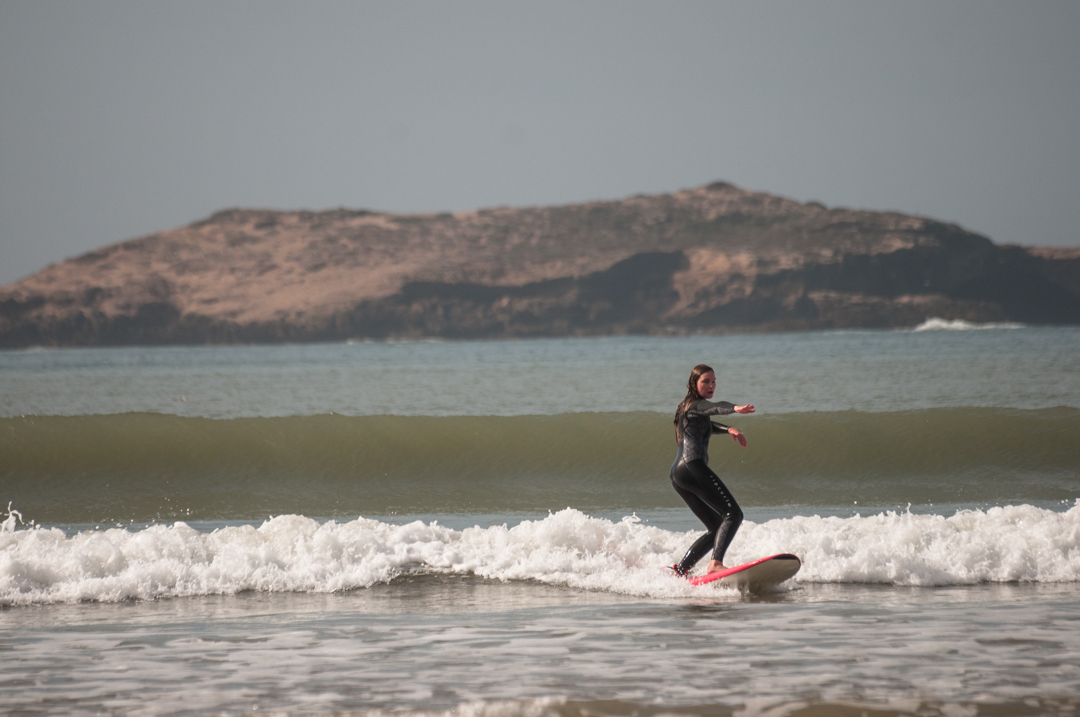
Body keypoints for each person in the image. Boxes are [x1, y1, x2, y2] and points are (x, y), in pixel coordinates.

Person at [669, 364, 755, 578]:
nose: (711, 385)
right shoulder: (698, 404)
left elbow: (706, 424)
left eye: (714, 381)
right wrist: (735, 409)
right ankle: (716, 563)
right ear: (694, 384)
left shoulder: (687, 407)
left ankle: (681, 571)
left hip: (678, 474)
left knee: (716, 527)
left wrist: (728, 429)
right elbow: (716, 407)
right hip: (693, 466)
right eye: (705, 381)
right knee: (733, 514)